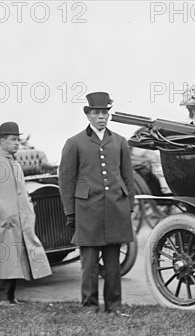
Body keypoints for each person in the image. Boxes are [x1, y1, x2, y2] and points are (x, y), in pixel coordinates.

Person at [59, 92, 134, 316]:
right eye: (96, 113)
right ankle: (89, 306)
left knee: (113, 262)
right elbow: (66, 179)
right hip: (87, 210)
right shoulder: (75, 143)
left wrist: (128, 205)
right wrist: (70, 212)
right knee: (89, 262)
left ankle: (114, 306)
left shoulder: (120, 141)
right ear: (88, 116)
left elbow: (127, 175)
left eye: (104, 113)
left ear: (108, 115)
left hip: (115, 208)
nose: (101, 117)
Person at [0, 122, 52, 306]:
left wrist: (28, 207)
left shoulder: (14, 162)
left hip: (19, 219)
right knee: (3, 257)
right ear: (2, 141)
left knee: (16, 258)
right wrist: (2, 211)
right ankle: (1, 298)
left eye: (18, 139)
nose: (17, 143)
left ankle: (11, 297)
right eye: (13, 139)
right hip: (1, 220)